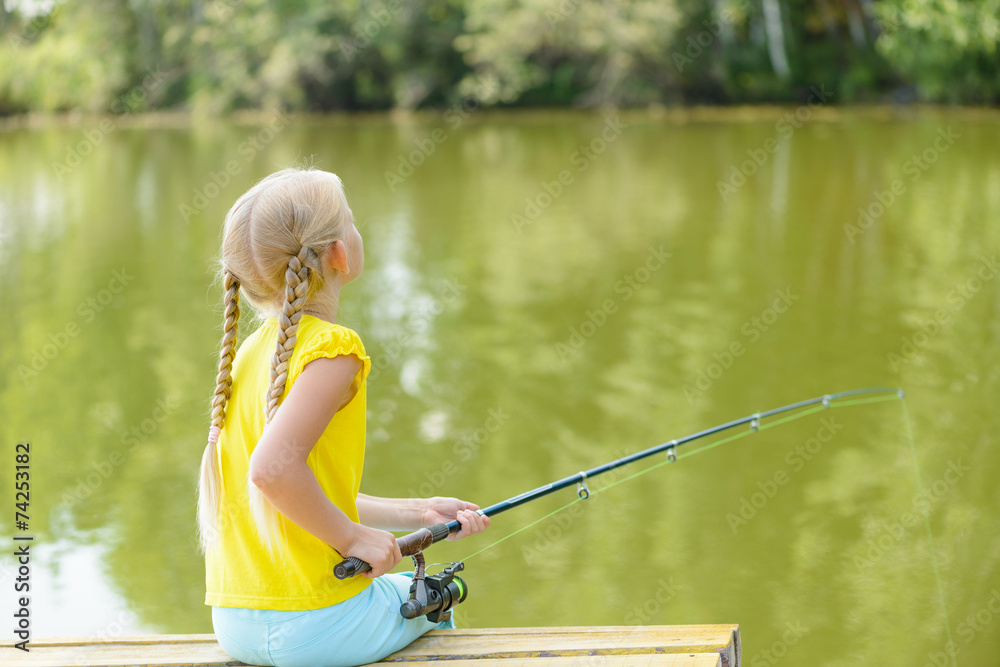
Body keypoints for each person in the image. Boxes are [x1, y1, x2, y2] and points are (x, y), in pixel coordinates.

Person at [196, 167, 489, 667]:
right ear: (338, 252)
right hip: (315, 624)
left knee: (409, 592)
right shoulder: (334, 349)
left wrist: (417, 513)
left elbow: (300, 492)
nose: (358, 231)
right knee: (439, 601)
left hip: (235, 624)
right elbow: (271, 471)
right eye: (351, 222)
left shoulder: (248, 353)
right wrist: (351, 538)